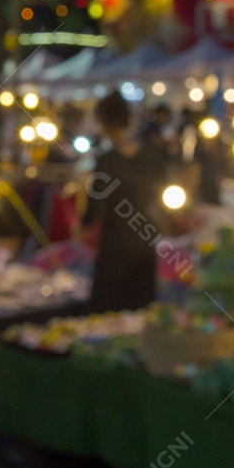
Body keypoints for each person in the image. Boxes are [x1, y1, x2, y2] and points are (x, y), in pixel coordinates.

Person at [80, 92, 168, 312]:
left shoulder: (106, 161)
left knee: (107, 312)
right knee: (141, 312)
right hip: (146, 239)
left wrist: (81, 225)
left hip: (115, 246)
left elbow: (95, 210)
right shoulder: (151, 156)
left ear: (102, 121)